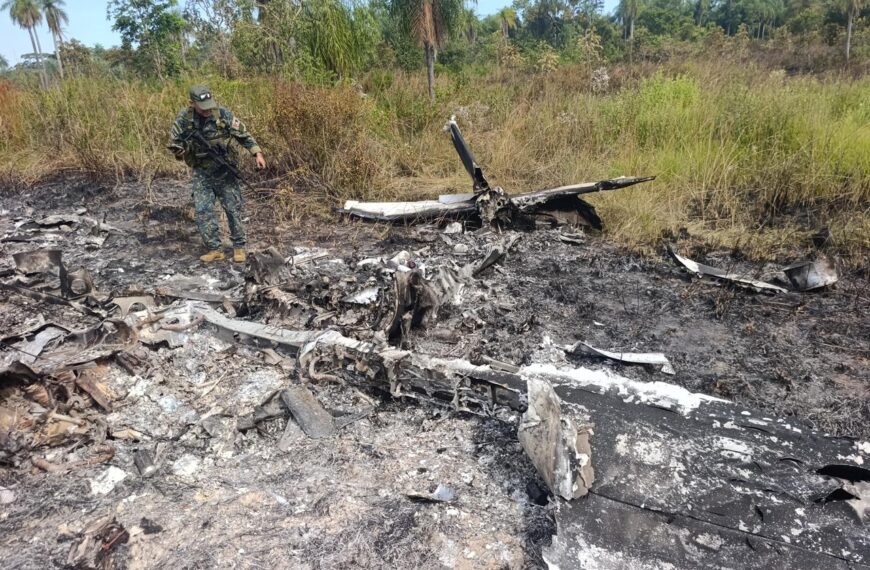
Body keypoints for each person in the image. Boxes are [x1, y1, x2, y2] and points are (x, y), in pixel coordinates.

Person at [168, 84, 266, 263]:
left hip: (224, 169)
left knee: (232, 208)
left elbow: (243, 134)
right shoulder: (184, 119)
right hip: (201, 171)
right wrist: (179, 151)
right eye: (202, 108)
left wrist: (257, 153)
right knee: (203, 210)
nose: (207, 111)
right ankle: (215, 249)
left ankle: (239, 247)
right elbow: (175, 142)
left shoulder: (222, 114)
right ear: (191, 103)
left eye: (209, 106)